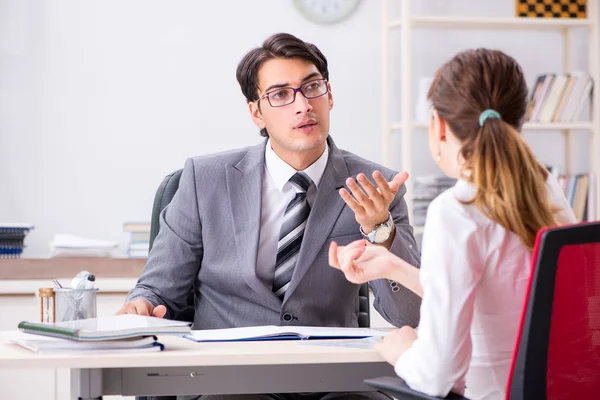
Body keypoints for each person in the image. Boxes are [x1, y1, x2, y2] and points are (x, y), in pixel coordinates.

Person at [117, 32, 421, 399]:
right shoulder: (205, 180)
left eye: (312, 87)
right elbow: (157, 288)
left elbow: (411, 316)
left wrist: (380, 231)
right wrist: (143, 304)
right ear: (256, 112)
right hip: (226, 378)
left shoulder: (377, 186)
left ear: (330, 95)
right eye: (280, 94)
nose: (303, 105)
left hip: (332, 382)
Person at [329, 48, 576, 400]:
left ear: (439, 126)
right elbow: (504, 293)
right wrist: (394, 267)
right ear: (521, 120)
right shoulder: (545, 187)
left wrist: (403, 351)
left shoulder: (457, 209)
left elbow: (436, 374)